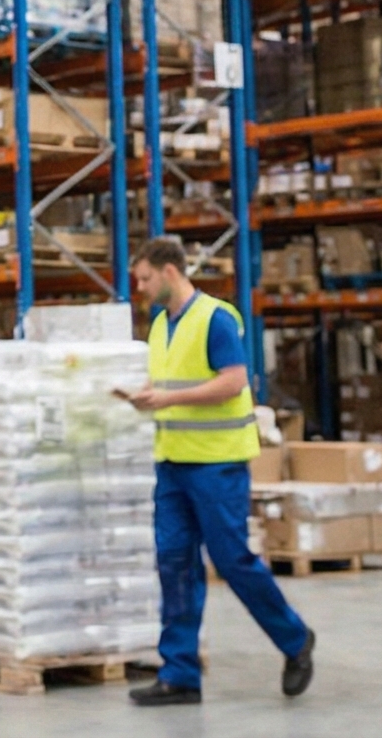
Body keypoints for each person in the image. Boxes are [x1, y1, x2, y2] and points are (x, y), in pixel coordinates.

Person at [116, 237, 315, 706]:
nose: (140, 288)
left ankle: (295, 640)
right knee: (175, 563)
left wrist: (166, 399)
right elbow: (169, 379)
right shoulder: (162, 323)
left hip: (216, 463)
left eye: (144, 278)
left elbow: (233, 381)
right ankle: (180, 673)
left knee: (231, 560)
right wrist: (146, 393)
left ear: (169, 272)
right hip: (172, 463)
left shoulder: (216, 318)